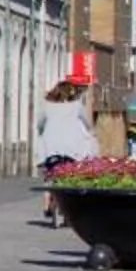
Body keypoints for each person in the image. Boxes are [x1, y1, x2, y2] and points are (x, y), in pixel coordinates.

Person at [35, 80, 100, 225]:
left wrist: (43, 131)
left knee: (50, 176)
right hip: (73, 149)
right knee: (71, 177)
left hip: (51, 147)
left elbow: (39, 124)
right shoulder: (77, 107)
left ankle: (47, 204)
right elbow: (88, 124)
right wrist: (91, 134)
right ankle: (67, 207)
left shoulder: (47, 107)